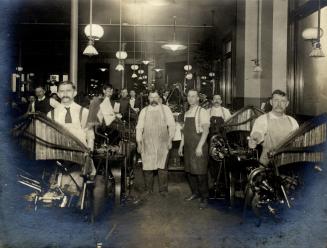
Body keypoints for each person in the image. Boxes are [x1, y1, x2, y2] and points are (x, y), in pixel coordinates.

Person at [136, 90, 175, 197]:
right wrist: (139, 143)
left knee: (162, 168)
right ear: (148, 98)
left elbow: (172, 125)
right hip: (147, 143)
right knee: (147, 167)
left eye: (155, 97)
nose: (153, 99)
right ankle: (148, 190)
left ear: (159, 98)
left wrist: (170, 139)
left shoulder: (166, 109)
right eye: (151, 97)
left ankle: (163, 190)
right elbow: (139, 128)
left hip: (162, 143)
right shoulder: (144, 111)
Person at [248, 89, 299, 166]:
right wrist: (254, 138)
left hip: (288, 162)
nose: (279, 104)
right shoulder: (263, 119)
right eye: (276, 100)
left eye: (282, 101)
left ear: (287, 104)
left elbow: (298, 141)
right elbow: (258, 132)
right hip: (267, 163)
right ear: (271, 102)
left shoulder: (292, 121)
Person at [178, 89, 210, 209]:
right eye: (189, 96)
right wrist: (181, 146)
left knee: (200, 173)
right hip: (188, 146)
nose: (191, 98)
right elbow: (184, 133)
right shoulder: (187, 113)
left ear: (198, 98)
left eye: (193, 96)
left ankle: (204, 198)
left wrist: (200, 146)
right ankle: (195, 193)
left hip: (198, 146)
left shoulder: (203, 112)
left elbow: (206, 131)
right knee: (189, 172)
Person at [47, 81, 95, 151]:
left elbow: (90, 134)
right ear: (58, 94)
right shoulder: (51, 114)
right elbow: (48, 136)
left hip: (80, 153)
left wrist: (90, 150)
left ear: (74, 93)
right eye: (62, 91)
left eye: (68, 91)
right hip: (59, 153)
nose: (65, 94)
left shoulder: (84, 112)